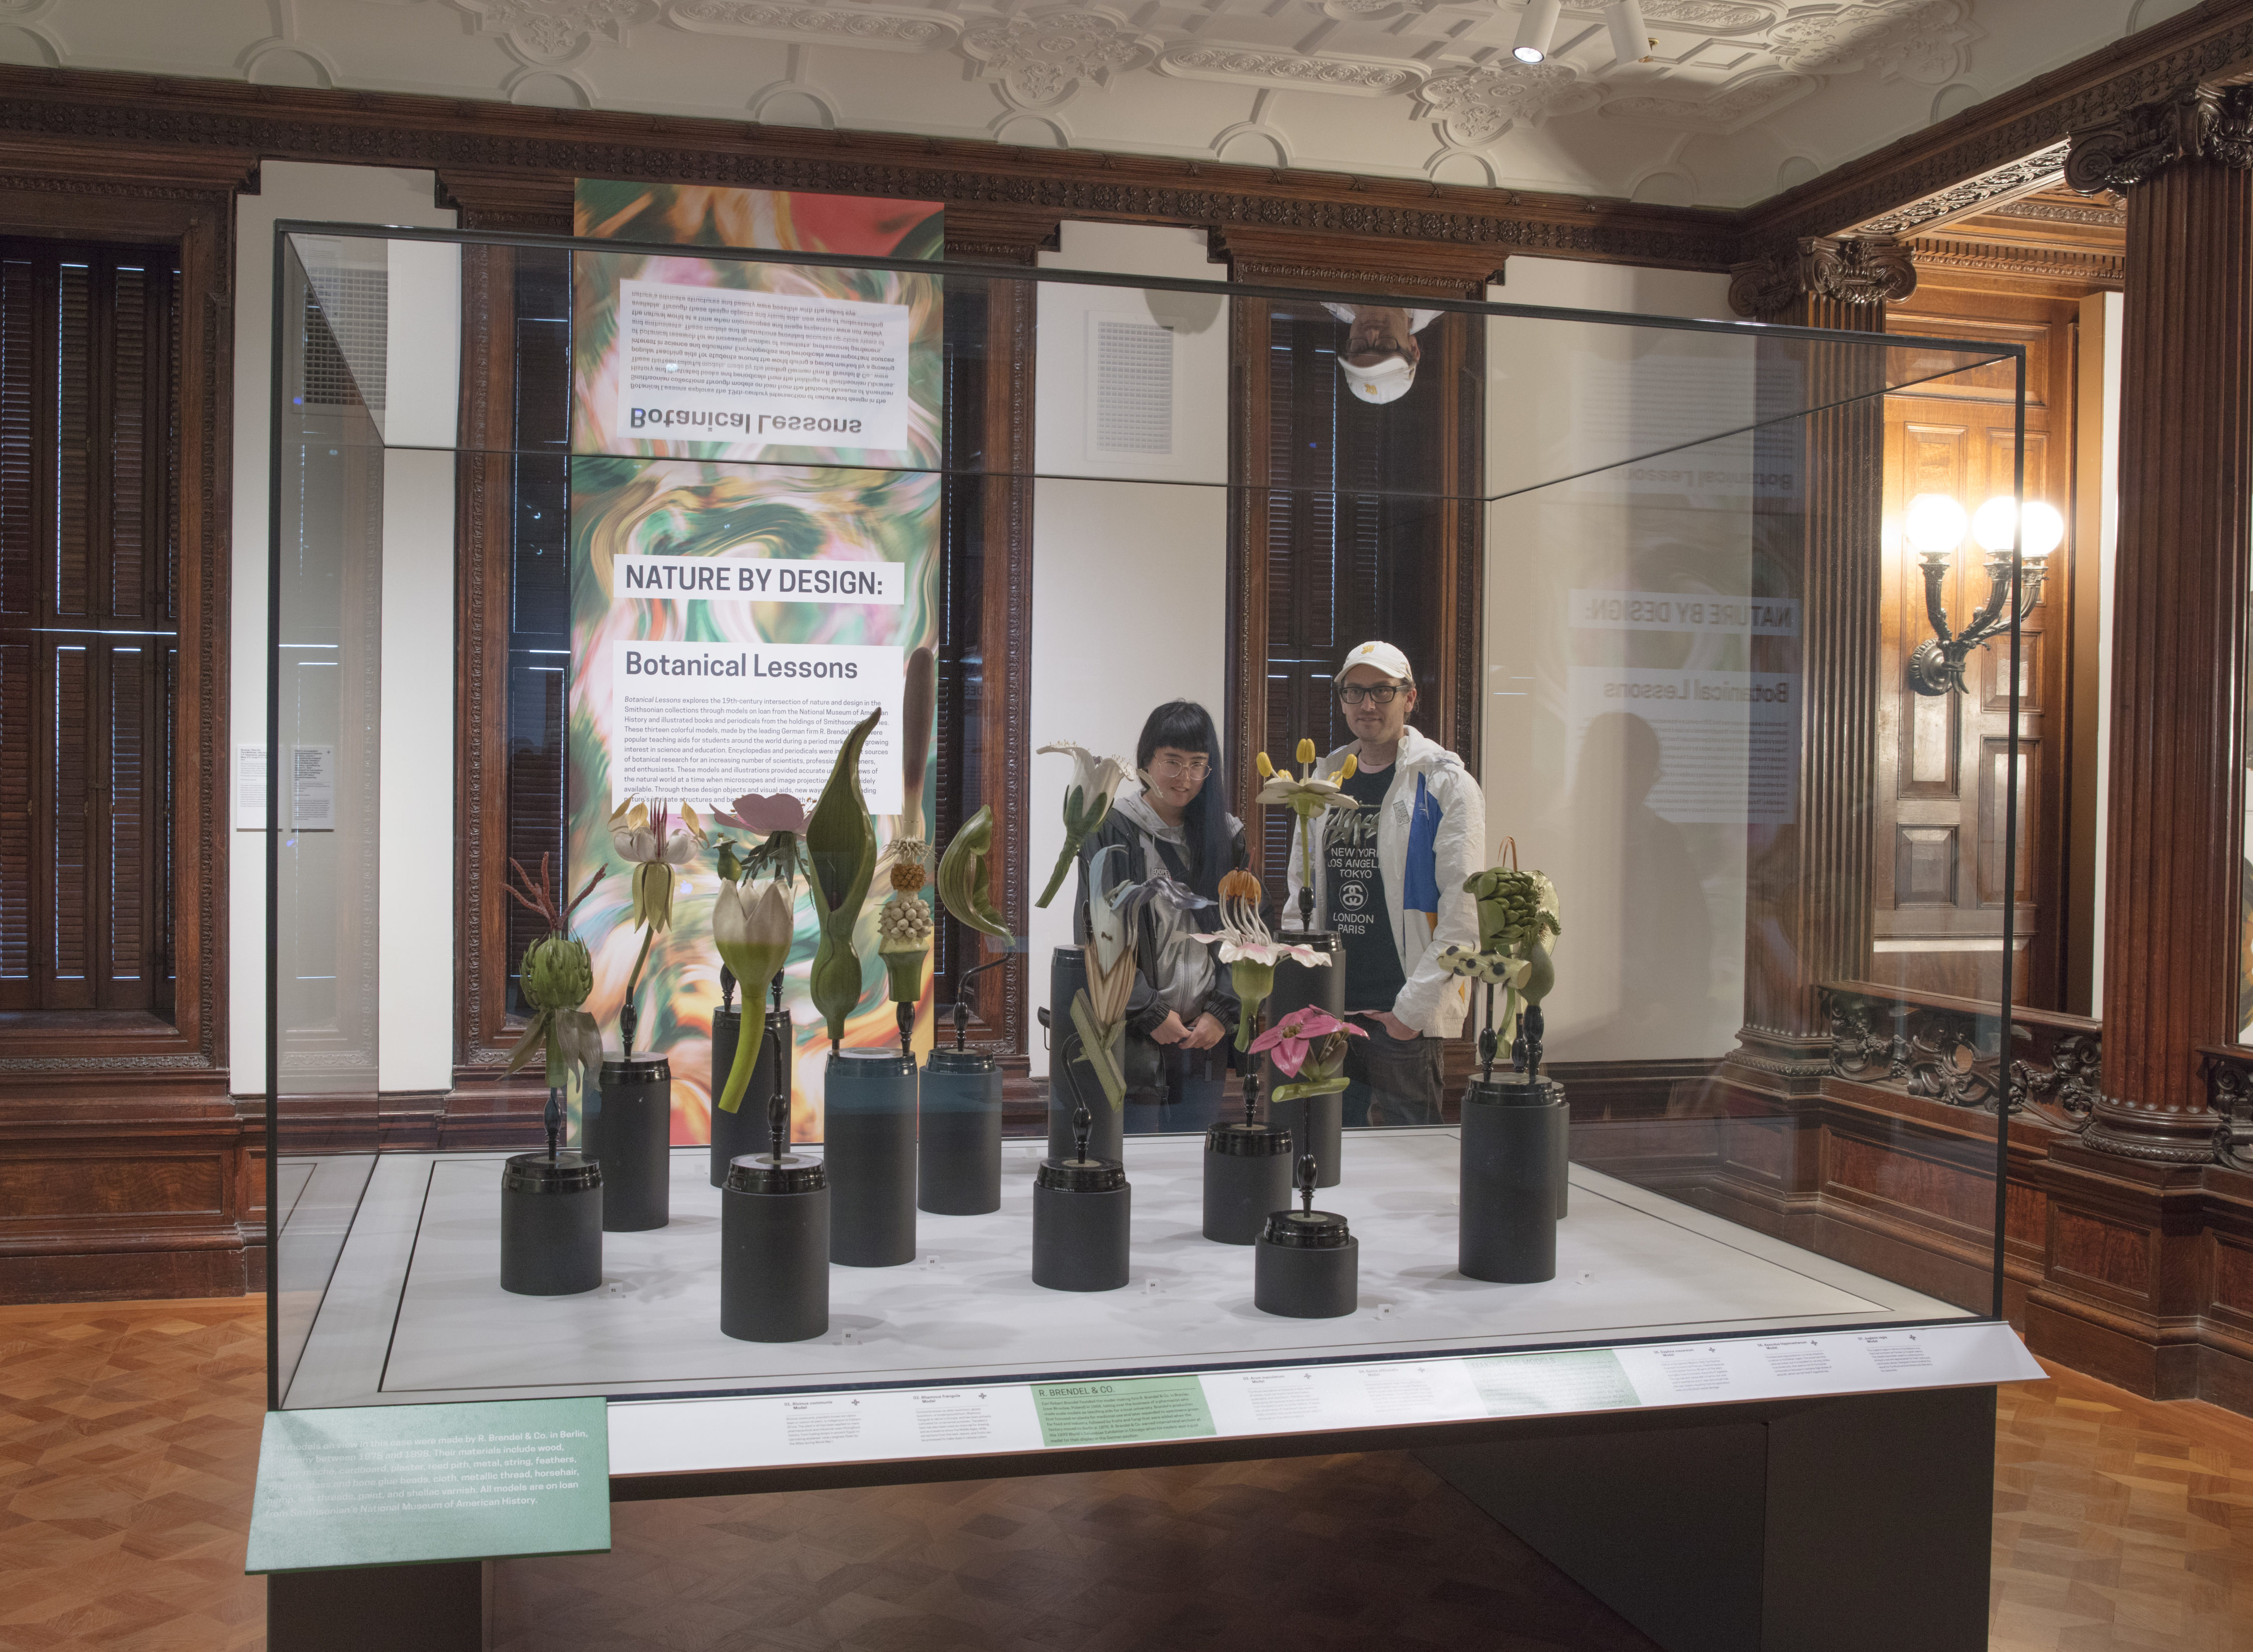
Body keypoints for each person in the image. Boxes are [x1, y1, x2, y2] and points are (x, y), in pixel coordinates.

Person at [1284, 641, 1484, 1126]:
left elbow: (1463, 910)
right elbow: (1300, 895)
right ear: (1341, 700)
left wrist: (1411, 1013)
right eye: (1354, 692)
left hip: (1402, 1017)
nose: (1367, 705)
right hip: (1329, 1010)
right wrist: (1299, 996)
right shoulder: (1325, 779)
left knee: (1406, 1165)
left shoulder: (1445, 783)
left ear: (1410, 698)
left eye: (1382, 691)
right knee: (1325, 1154)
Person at [1073, 701, 1248, 1132]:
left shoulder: (1228, 837)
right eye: (1172, 762)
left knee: (1191, 1167)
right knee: (1137, 1159)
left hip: (1206, 1039)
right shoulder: (1112, 828)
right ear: (1147, 760)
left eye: (1197, 765)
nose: (1184, 778)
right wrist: (1150, 1011)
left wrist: (1222, 1014)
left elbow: (1248, 935)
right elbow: (1096, 933)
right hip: (1136, 1034)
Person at [1323, 302, 1439, 406]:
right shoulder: (1438, 295)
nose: (1371, 333)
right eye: (1385, 348)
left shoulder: (1333, 302)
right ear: (1413, 348)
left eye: (1359, 348)